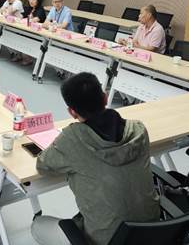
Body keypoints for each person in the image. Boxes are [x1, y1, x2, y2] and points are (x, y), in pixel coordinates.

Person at [32, 72, 160, 245]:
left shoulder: (72, 139)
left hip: (107, 239)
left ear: (72, 112)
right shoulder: (138, 129)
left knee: (38, 225)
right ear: (105, 97)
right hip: (155, 232)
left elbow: (43, 166)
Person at [19, 0, 46, 65]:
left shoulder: (41, 10)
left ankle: (28, 58)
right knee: (18, 34)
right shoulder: (29, 8)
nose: (31, 1)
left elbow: (35, 20)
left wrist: (27, 19)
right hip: (29, 31)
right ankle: (19, 54)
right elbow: (21, 16)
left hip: (38, 34)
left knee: (24, 37)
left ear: (38, 1)